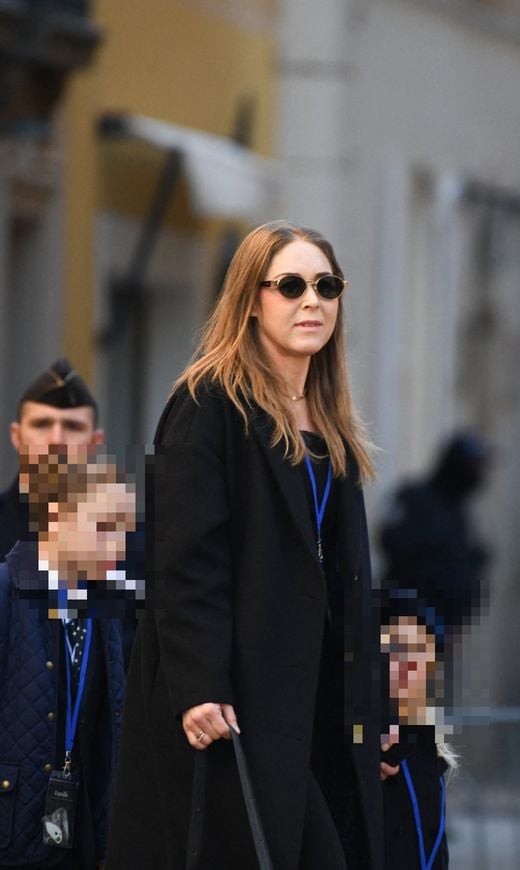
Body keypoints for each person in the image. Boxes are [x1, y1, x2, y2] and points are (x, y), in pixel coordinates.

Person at [106, 220, 384, 870]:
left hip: (312, 699)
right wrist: (200, 684)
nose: (312, 301)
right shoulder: (209, 403)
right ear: (252, 300)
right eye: (290, 286)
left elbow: (347, 580)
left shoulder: (330, 422)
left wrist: (373, 706)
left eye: (326, 286)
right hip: (234, 698)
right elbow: (184, 558)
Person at [0, 450, 135, 869]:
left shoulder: (106, 608)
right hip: (13, 835)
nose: (118, 546)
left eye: (124, 530)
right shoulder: (5, 589)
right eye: (105, 528)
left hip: (80, 837)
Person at [379, 431, 491, 641]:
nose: (479, 473)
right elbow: (391, 541)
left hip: (439, 627)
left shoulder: (459, 514)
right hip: (408, 621)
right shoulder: (415, 499)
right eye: (472, 465)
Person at [0, 359, 104, 563]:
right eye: (42, 424)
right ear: (17, 436)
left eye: (73, 426)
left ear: (95, 442)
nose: (56, 439)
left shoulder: (130, 542)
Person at [380, 592, 452, 870]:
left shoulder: (427, 745)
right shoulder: (363, 743)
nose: (411, 665)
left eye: (420, 651)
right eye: (397, 650)